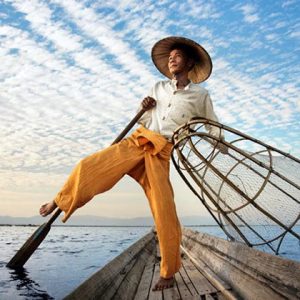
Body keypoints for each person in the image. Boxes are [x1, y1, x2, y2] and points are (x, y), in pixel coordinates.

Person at [40, 36, 223, 291]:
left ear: (190, 62)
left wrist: (222, 147)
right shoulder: (158, 87)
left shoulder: (201, 96)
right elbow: (147, 120)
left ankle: (169, 272)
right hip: (137, 142)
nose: (172, 59)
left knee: (164, 210)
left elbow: (212, 126)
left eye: (177, 56)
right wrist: (144, 106)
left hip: (160, 152)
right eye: (170, 56)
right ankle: (59, 200)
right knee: (89, 166)